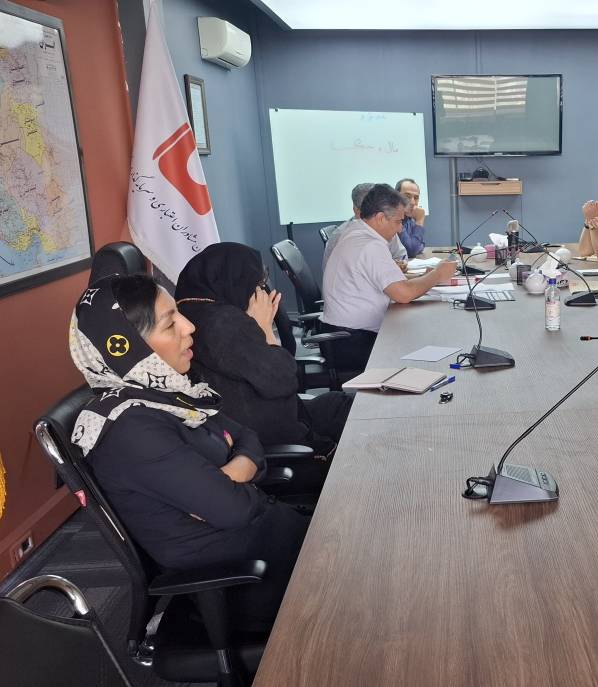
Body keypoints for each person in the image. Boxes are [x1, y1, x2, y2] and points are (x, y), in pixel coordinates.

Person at [70, 274, 309, 631]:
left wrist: (229, 476)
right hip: (251, 579)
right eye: (170, 324)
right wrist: (235, 477)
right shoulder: (132, 430)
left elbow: (247, 436)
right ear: (130, 346)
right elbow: (235, 509)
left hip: (275, 539)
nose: (189, 327)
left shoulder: (164, 393)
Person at [176, 242, 353, 454]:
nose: (260, 290)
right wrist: (265, 329)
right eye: (257, 282)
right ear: (236, 279)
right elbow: (285, 380)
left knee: (341, 404)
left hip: (247, 423)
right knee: (351, 409)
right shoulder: (225, 322)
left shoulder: (186, 313)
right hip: (272, 434)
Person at [321, 183, 457, 372]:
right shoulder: (370, 245)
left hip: (344, 334)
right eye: (398, 221)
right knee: (427, 343)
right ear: (380, 218)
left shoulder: (355, 232)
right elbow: (403, 294)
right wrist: (437, 275)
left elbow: (394, 284)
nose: (401, 229)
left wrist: (423, 278)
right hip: (353, 342)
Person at [324, 182, 407, 271]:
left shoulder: (386, 228)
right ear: (356, 210)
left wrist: (400, 264)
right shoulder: (342, 237)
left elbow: (401, 256)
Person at [395, 177, 426, 256]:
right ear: (395, 197)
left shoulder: (410, 219)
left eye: (416, 198)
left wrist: (417, 246)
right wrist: (420, 220)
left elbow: (421, 244)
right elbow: (411, 250)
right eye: (407, 196)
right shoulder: (393, 218)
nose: (412, 202)